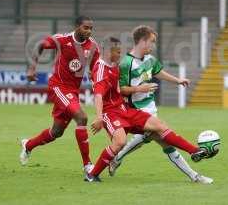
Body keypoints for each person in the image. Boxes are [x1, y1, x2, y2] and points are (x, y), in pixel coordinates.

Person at [86, 37, 210, 182]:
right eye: (118, 52)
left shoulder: (114, 65)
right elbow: (98, 96)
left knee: (159, 126)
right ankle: (93, 174)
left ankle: (194, 151)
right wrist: (99, 117)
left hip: (125, 110)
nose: (120, 55)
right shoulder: (101, 69)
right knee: (120, 142)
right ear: (108, 52)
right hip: (110, 113)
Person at [19, 16, 100, 174]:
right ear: (77, 26)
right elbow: (40, 45)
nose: (89, 31)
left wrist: (93, 74)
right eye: (85, 27)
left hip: (73, 91)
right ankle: (88, 165)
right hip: (58, 87)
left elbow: (94, 67)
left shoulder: (93, 46)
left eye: (91, 28)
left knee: (56, 132)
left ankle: (28, 145)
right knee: (82, 118)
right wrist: (32, 68)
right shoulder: (62, 40)